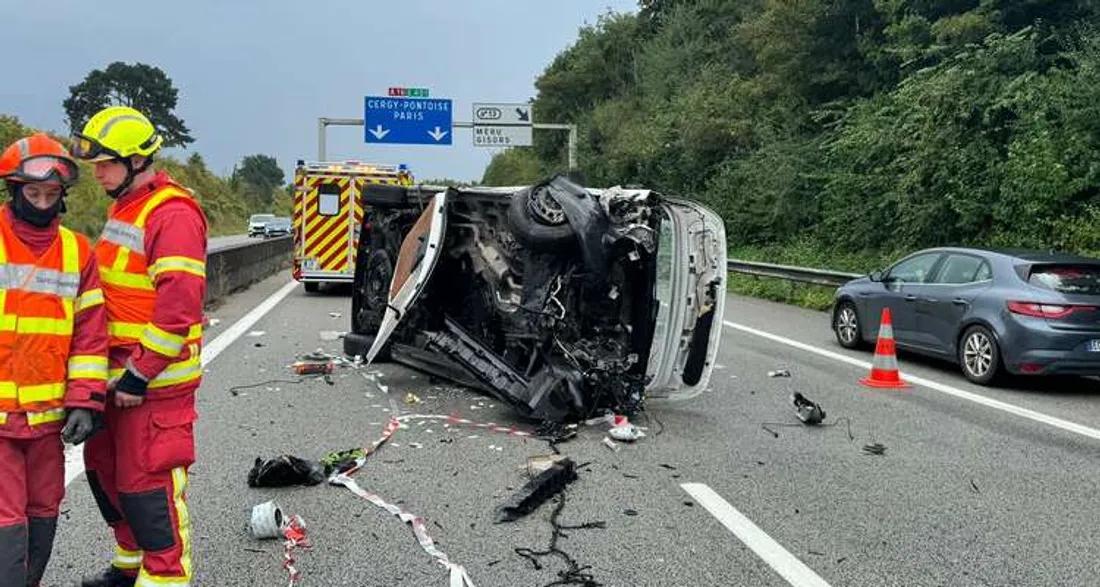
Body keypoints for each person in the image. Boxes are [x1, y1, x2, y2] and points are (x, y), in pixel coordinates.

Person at [70, 106, 208, 587]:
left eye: (105, 163)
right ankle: (131, 561)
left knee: (148, 485)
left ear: (135, 161)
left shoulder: (172, 215)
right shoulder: (124, 208)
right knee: (106, 474)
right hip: (115, 377)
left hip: (152, 384)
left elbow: (177, 309)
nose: (97, 173)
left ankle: (166, 576)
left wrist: (139, 374)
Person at [0, 133, 108, 587]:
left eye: (51, 193)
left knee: (43, 514)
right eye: (33, 192)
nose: (43, 203)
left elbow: (90, 335)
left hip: (47, 424)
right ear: (14, 190)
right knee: (7, 524)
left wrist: (85, 400)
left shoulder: (77, 251)